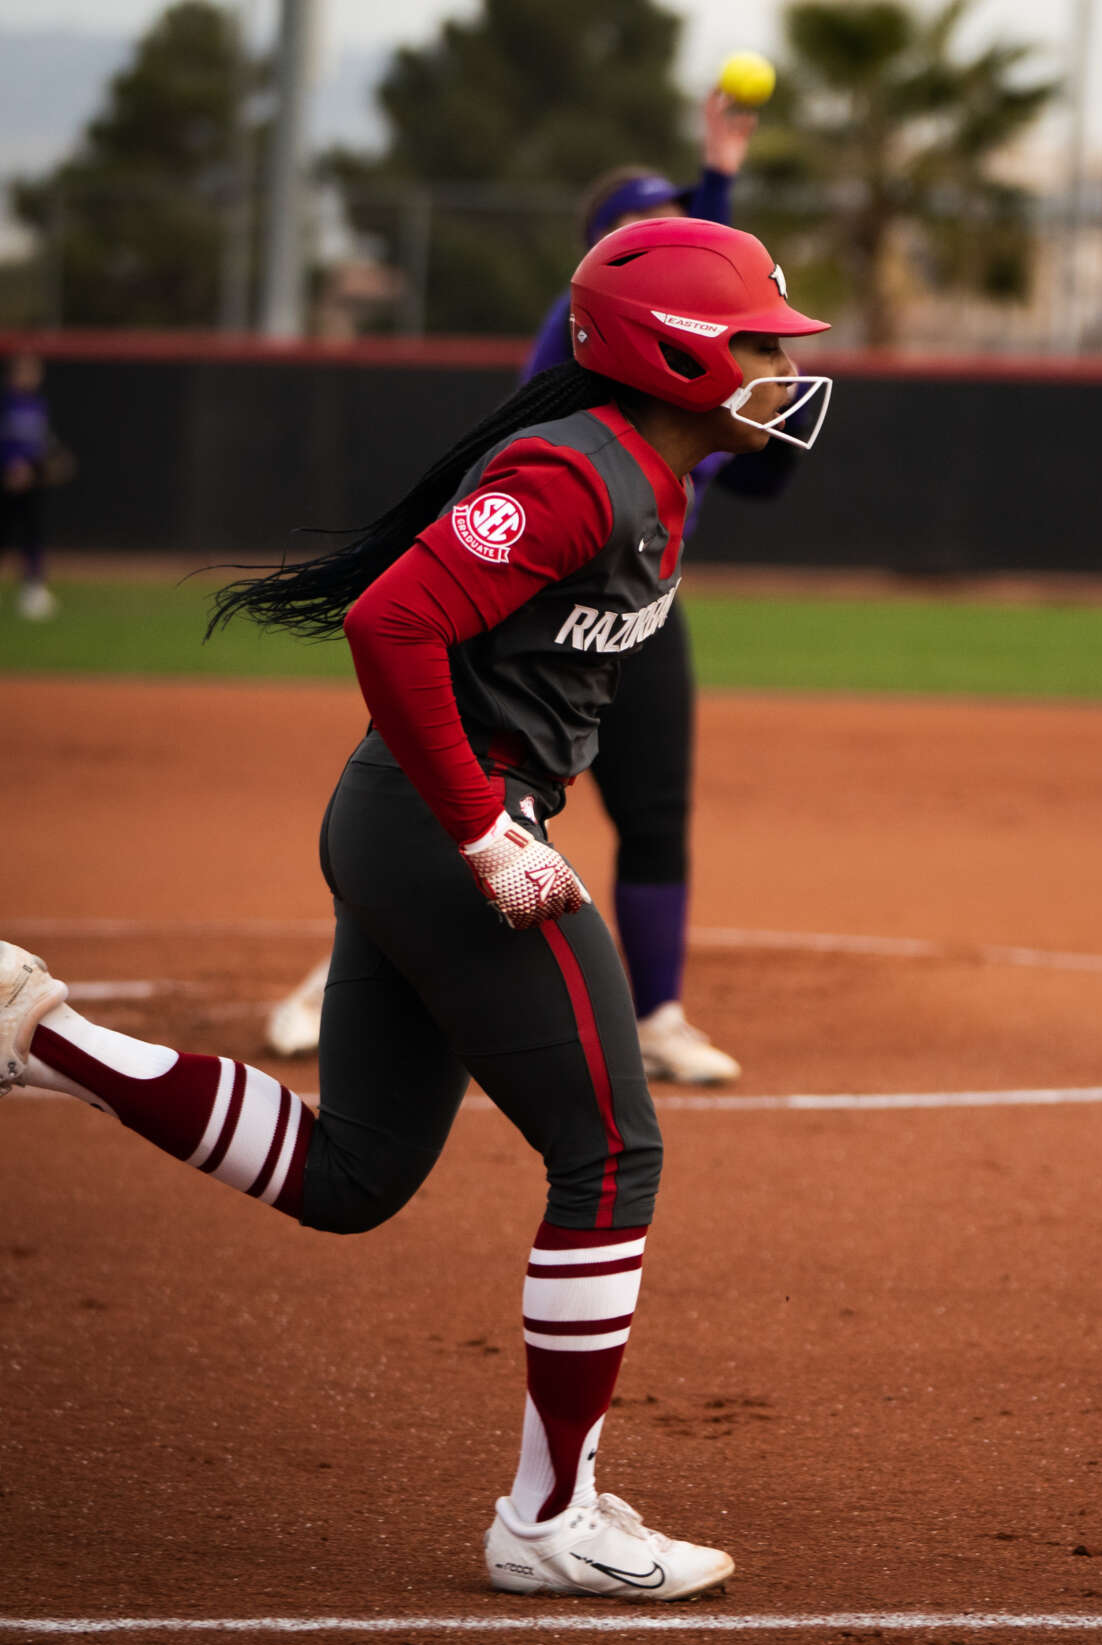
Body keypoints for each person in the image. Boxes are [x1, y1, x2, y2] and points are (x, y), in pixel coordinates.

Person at [0, 218, 833, 1602]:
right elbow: (391, 622)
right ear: (671, 351)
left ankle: (37, 1033)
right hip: (441, 826)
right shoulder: (577, 470)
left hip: (415, 821)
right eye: (759, 339)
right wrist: (487, 827)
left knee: (353, 1175)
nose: (784, 366)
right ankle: (550, 1518)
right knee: (613, 1151)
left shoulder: (653, 478)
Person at [265, 92, 794, 1087]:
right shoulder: (590, 350)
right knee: (469, 810)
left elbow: (722, 310)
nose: (677, 241)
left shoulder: (707, 400)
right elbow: (391, 619)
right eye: (645, 228)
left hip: (637, 612)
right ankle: (342, 973)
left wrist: (719, 172)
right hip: (542, 605)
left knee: (649, 810)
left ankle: (661, 1011)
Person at [0, 349, 57, 622]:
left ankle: (33, 589)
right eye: (24, 370)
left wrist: (40, 466)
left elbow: (40, 443)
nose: (30, 376)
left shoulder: (39, 404)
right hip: (1, 479)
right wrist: (9, 466)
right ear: (12, 373)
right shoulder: (0, 402)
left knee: (32, 534)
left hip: (30, 480)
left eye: (33, 371)